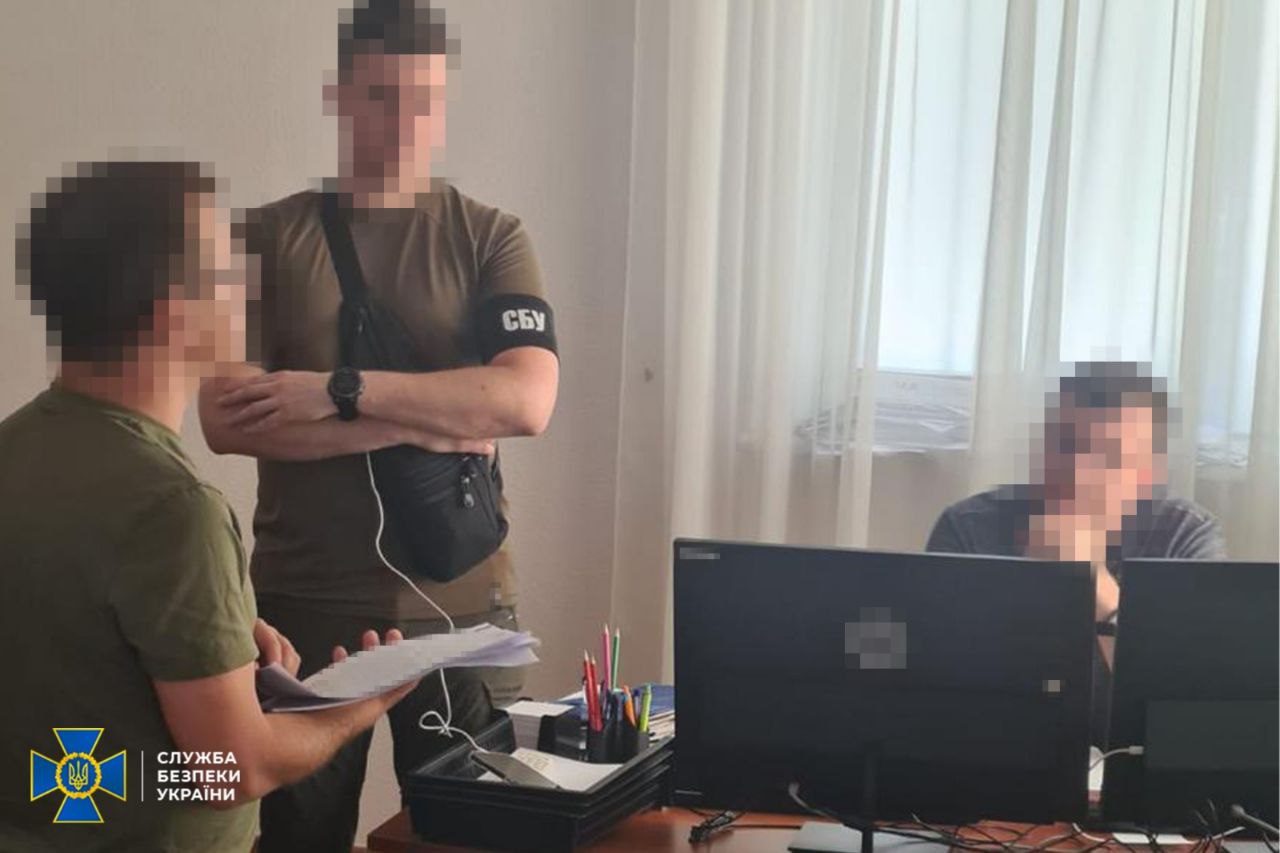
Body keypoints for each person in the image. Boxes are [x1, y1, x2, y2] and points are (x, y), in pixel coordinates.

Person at [197, 2, 560, 849]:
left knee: (468, 839)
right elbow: (224, 417)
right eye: (380, 97)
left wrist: (337, 391)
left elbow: (525, 401)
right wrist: (432, 420)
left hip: (464, 614)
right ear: (338, 95)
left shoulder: (491, 238)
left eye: (422, 100)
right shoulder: (263, 239)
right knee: (297, 839)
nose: (402, 123)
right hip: (301, 608)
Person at [0, 161, 416, 852]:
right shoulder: (173, 510)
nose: (248, 290)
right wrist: (359, 703)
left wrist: (214, 633)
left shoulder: (16, 452)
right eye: (228, 272)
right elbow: (231, 768)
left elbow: (75, 654)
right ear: (174, 313)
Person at [925, 361, 1225, 742]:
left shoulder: (1185, 537)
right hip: (993, 751)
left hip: (1125, 759)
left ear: (1148, 475)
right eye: (1066, 446)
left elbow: (1185, 706)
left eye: (1109, 457)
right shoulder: (968, 528)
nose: (1078, 473)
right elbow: (934, 687)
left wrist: (1094, 583)